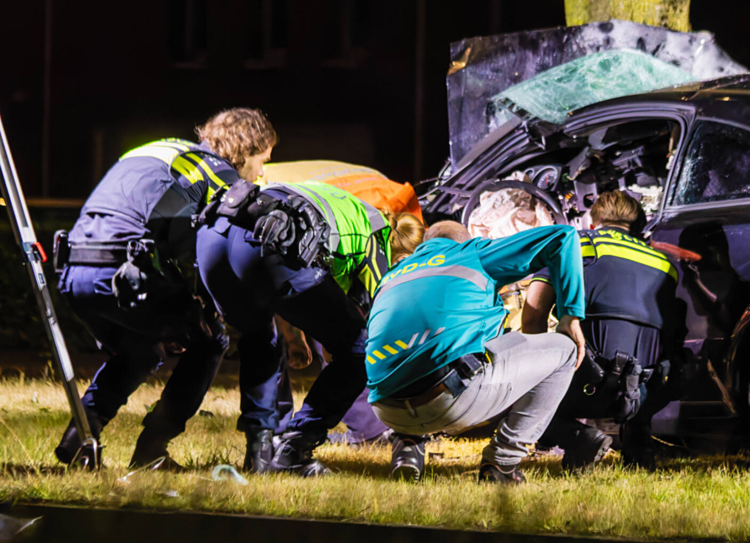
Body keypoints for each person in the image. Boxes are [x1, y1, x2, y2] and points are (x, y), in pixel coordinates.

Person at [53, 108, 277, 469]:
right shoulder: (217, 171)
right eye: (263, 159)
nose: (262, 172)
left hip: (75, 273)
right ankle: (152, 450)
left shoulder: (159, 149)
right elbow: (215, 253)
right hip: (122, 275)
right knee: (210, 337)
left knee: (140, 350)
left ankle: (82, 436)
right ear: (245, 149)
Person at [195, 179, 422, 475]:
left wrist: (293, 336)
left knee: (261, 339)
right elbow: (377, 335)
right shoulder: (375, 241)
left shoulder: (358, 211)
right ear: (403, 258)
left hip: (215, 237)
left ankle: (261, 456)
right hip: (271, 239)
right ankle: (296, 448)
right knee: (359, 350)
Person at [367, 221, 587, 484]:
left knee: (424, 353)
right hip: (447, 401)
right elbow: (562, 236)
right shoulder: (471, 253)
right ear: (465, 240)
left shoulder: (391, 276)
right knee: (565, 349)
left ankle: (407, 446)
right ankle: (502, 462)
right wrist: (570, 316)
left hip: (385, 410)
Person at [521, 190, 685, 471]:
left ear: (592, 222)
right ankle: (638, 440)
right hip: (639, 392)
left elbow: (532, 314)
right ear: (636, 226)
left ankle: (576, 437)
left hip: (584, 386)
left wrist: (532, 375)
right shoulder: (666, 265)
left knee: (504, 372)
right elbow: (670, 336)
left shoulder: (575, 246)